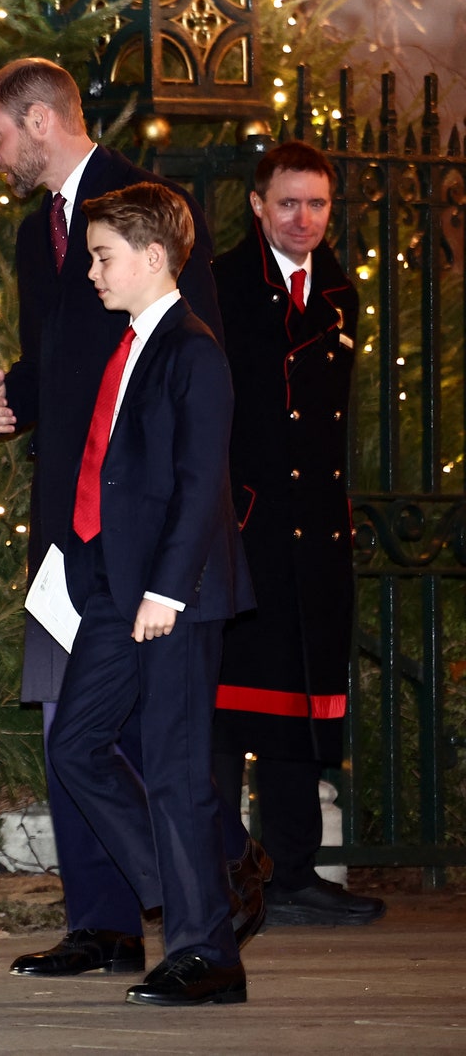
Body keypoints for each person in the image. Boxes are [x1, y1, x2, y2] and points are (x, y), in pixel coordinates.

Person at [0, 57, 269, 979]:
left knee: (156, 731)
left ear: (39, 121)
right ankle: (104, 921)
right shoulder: (36, 234)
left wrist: (179, 559)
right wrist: (12, 391)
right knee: (74, 719)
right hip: (71, 515)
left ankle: (210, 886)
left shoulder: (144, 214)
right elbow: (60, 354)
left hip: (147, 526)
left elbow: (183, 366)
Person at [48, 182, 254, 1006]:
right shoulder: (129, 344)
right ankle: (192, 887)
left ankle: (209, 953)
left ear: (155, 257)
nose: (93, 271)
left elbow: (202, 482)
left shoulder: (192, 350)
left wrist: (166, 588)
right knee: (75, 745)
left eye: (103, 256)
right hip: (114, 586)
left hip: (174, 593)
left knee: (174, 767)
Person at [210, 142, 385, 927]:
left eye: (317, 204)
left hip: (315, 532)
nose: (305, 219)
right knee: (224, 710)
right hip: (244, 528)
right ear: (257, 204)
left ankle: (294, 871)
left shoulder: (343, 292)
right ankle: (215, 870)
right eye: (288, 203)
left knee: (301, 705)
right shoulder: (218, 285)